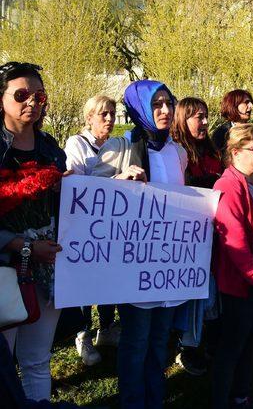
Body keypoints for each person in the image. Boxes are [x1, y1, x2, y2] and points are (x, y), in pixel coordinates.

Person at [92, 80, 187, 408]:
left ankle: (154, 396)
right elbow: (89, 196)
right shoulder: (119, 147)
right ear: (139, 108)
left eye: (168, 103)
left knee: (161, 338)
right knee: (136, 339)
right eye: (156, 104)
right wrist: (118, 181)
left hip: (168, 263)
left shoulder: (179, 152)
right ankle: (133, 400)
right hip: (134, 263)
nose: (164, 110)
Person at [0, 62, 66, 401]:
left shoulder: (51, 149)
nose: (32, 103)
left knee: (38, 360)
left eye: (39, 96)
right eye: (22, 95)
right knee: (2, 362)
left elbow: (71, 201)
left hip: (49, 268)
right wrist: (23, 247)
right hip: (5, 270)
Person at [212, 124, 253, 409]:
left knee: (249, 342)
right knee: (232, 347)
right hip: (241, 283)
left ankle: (240, 395)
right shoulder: (227, 186)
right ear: (236, 153)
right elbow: (235, 243)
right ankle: (221, 400)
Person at [64, 95, 120, 367]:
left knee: (109, 279)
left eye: (112, 113)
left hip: (111, 224)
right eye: (103, 114)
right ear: (89, 117)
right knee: (86, 284)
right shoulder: (77, 144)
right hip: (84, 227)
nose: (109, 119)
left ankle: (106, 328)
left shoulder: (117, 146)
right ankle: (83, 334)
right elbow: (77, 183)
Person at [170, 97, 223, 376]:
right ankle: (187, 345)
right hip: (188, 238)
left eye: (205, 116)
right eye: (197, 117)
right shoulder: (176, 153)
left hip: (215, 236)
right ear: (182, 119)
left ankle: (205, 342)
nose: (203, 122)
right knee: (195, 293)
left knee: (211, 293)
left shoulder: (212, 152)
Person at [171, 97, 223, 190]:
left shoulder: (212, 150)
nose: (206, 122)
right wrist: (216, 179)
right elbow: (187, 183)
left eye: (206, 116)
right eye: (200, 117)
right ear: (183, 120)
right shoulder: (174, 150)